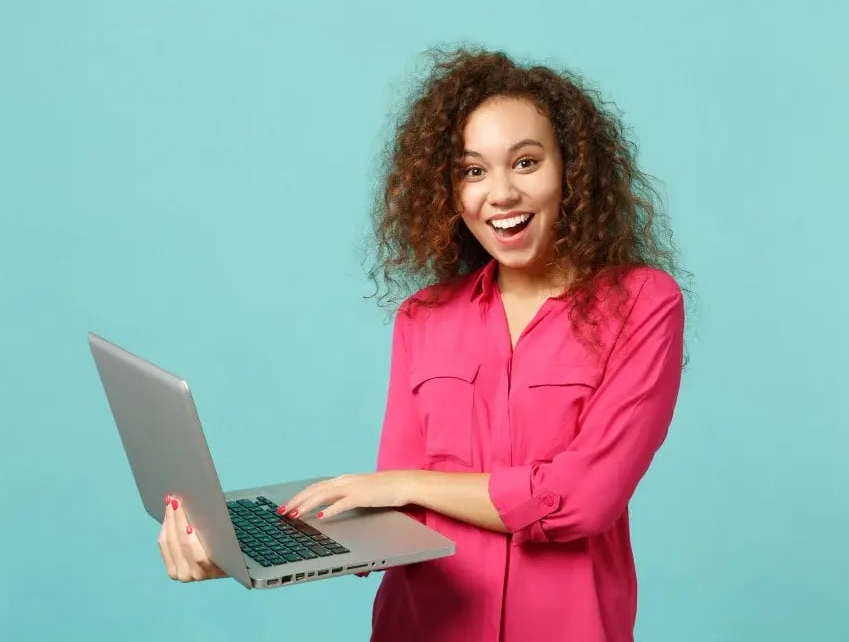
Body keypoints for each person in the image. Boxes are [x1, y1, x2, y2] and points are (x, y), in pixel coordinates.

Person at [158, 47, 689, 642]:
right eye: (473, 171)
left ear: (572, 170)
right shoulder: (424, 318)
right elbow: (393, 520)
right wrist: (241, 553)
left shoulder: (642, 303)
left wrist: (406, 482)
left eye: (526, 162)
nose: (501, 194)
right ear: (449, 192)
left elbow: (581, 499)